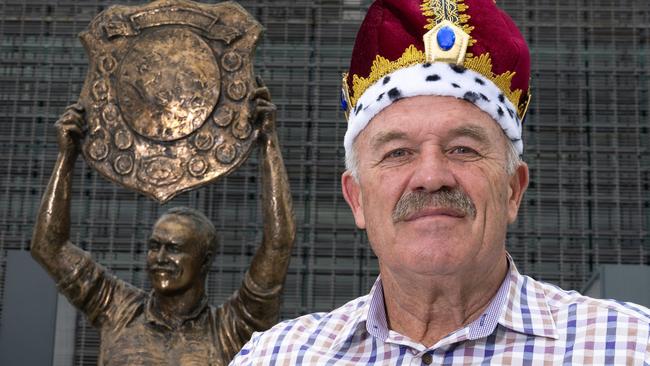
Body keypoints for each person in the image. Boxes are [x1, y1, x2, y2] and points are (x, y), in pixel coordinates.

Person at [230, 0, 650, 364]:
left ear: (512, 190)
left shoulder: (632, 347)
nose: (431, 177)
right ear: (356, 198)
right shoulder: (275, 356)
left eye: (463, 149)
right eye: (397, 153)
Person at [31, 82, 296, 365]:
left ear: (204, 260)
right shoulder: (117, 309)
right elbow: (49, 247)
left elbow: (278, 245)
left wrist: (268, 143)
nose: (160, 258)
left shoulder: (232, 327)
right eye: (154, 246)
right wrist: (66, 156)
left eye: (174, 248)